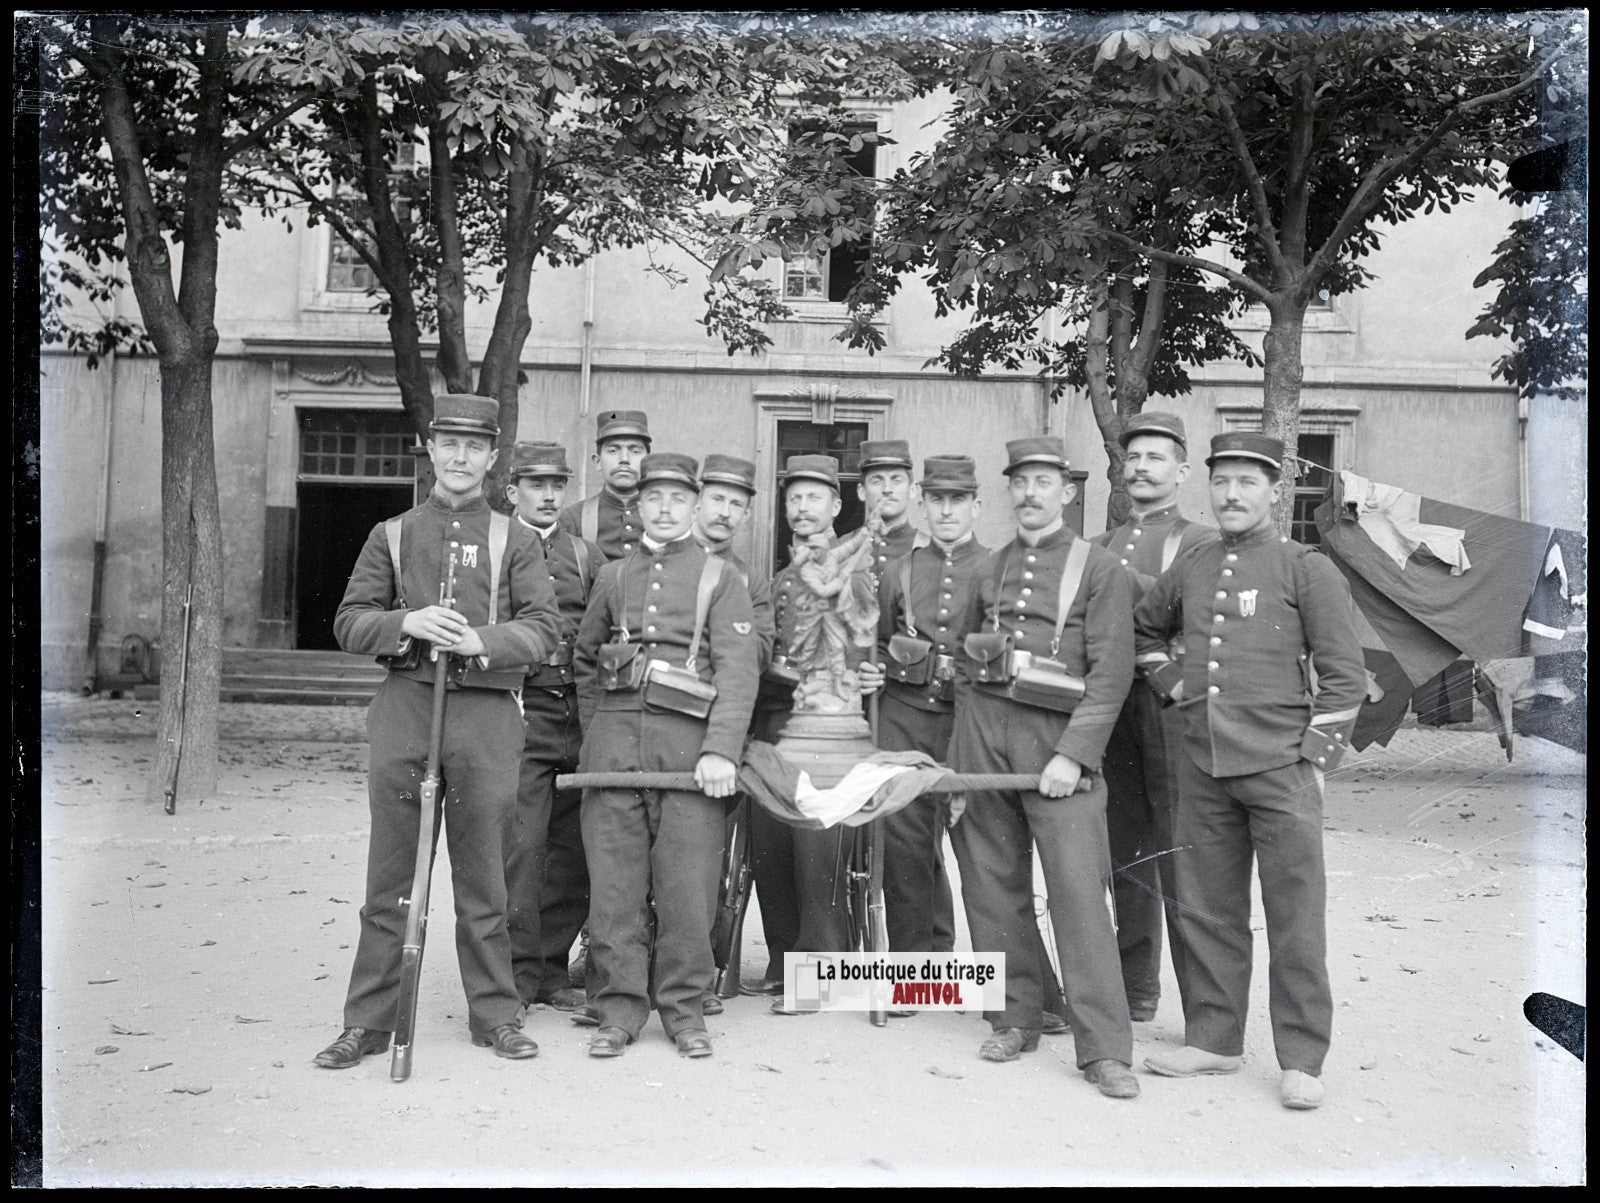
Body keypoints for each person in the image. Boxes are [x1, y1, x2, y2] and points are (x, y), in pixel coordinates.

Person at [314, 394, 562, 1069]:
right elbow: (348, 620)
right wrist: (408, 623)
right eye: (448, 442)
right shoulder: (391, 534)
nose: (459, 456)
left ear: (491, 455)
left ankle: (495, 1013)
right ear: (429, 446)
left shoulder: (517, 539)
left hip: (485, 717)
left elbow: (545, 627)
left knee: (486, 877)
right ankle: (367, 1019)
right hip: (407, 710)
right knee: (391, 877)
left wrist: (481, 638)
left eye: (474, 446)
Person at [1134, 431, 1365, 1111]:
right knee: (1209, 907)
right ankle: (1214, 1037)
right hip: (1203, 765)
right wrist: (1174, 685)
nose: (1232, 495)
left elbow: (1345, 678)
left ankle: (1301, 1055)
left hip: (1282, 766)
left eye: (1247, 482)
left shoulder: (1307, 568)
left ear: (1274, 490)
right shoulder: (1196, 562)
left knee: (1295, 915)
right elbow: (1147, 630)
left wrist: (1317, 762)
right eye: (1222, 481)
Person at [947, 435, 1141, 1100]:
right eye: (1020, 482)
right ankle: (1013, 1017)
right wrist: (963, 759)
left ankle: (1106, 1049)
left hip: (1060, 744)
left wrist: (1073, 754)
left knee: (1079, 897)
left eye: (1043, 482)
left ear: (1067, 490)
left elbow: (1111, 675)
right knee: (991, 885)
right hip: (986, 742)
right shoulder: (989, 567)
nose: (1030, 493)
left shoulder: (1098, 569)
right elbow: (971, 662)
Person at [572, 452, 760, 1059]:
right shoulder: (613, 576)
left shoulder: (721, 578)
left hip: (690, 759)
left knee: (687, 891)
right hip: (614, 753)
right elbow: (585, 661)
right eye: (654, 498)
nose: (665, 508)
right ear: (639, 505)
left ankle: (684, 1012)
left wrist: (722, 751)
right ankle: (618, 1010)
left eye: (678, 499)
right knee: (615, 889)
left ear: (695, 505)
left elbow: (738, 673)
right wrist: (597, 736)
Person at [1091, 412, 1219, 1023]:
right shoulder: (1103, 543)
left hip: (1170, 707)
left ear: (1182, 471)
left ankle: (1202, 1009)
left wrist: (1117, 579)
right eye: (1133, 457)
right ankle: (1135, 987)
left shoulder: (1198, 541)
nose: (1141, 467)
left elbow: (1191, 613)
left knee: (1180, 854)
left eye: (1156, 458)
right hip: (1115, 708)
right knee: (1125, 851)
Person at [746, 454, 876, 1005]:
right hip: (778, 718)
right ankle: (783, 959)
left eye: (814, 498)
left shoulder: (855, 569)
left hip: (829, 723)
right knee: (768, 839)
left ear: (836, 506)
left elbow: (863, 648)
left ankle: (822, 969)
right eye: (794, 498)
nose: (802, 508)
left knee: (817, 842)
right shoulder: (778, 577)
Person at [503, 442, 605, 1014]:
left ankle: (549, 966)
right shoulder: (499, 547)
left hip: (575, 712)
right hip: (521, 711)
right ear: (512, 490)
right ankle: (515, 972)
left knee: (571, 848)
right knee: (522, 846)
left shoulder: (584, 555)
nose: (548, 496)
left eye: (556, 486)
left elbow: (594, 636)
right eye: (536, 485)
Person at [558, 410, 651, 561]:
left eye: (635, 451)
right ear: (598, 461)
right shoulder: (572, 519)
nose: (624, 459)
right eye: (613, 450)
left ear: (648, 461)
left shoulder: (666, 517)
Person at [857, 438, 919, 576]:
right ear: (861, 492)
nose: (887, 489)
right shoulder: (841, 547)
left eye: (896, 480)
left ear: (913, 489)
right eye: (877, 480)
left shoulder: (928, 548)